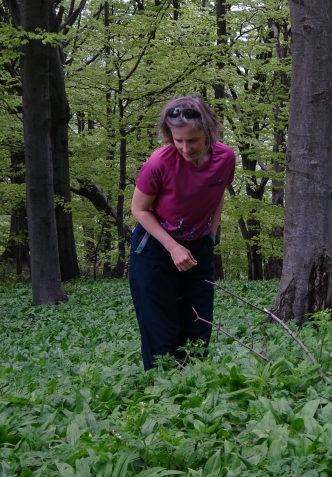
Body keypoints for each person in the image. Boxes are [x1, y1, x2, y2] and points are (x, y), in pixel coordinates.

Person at [129, 95, 236, 371]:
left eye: (193, 140)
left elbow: (218, 194)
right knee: (160, 330)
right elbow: (139, 209)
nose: (185, 148)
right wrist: (173, 247)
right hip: (155, 249)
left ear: (208, 132)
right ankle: (162, 387)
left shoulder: (225, 158)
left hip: (198, 247)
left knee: (198, 326)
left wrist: (210, 235)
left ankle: (194, 385)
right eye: (178, 140)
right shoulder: (159, 162)